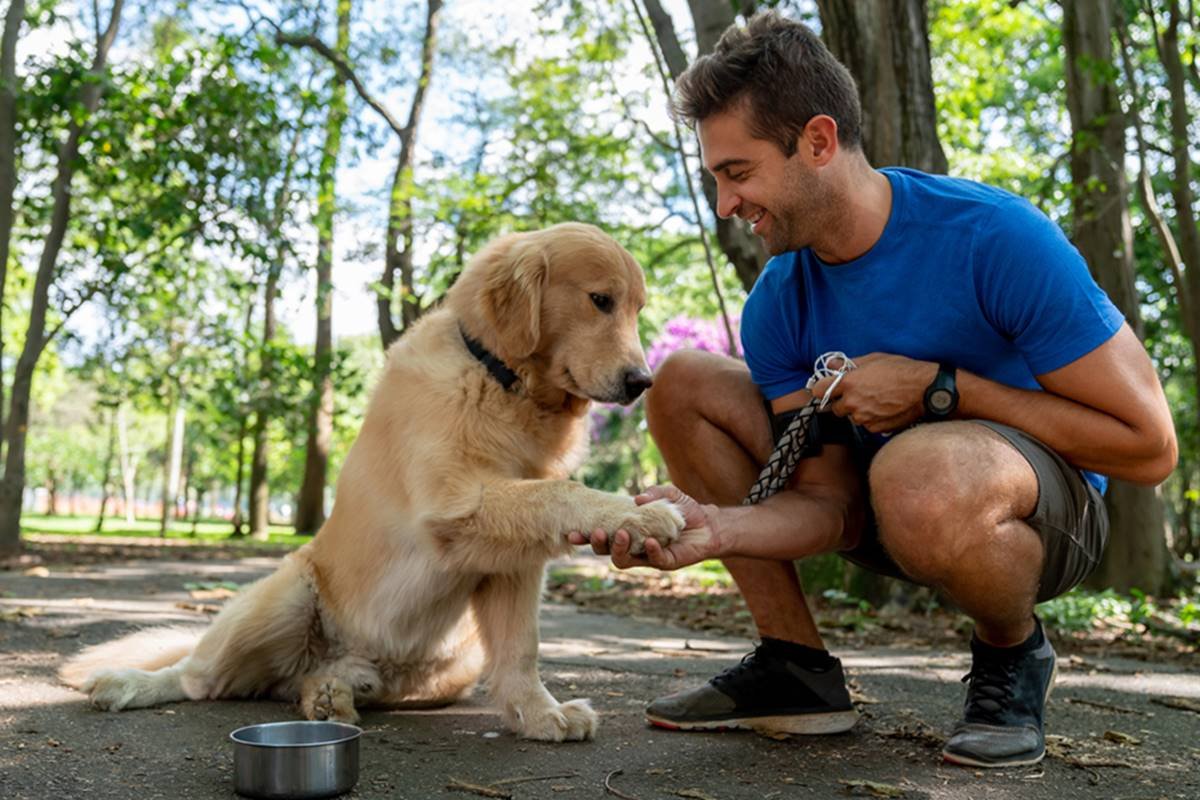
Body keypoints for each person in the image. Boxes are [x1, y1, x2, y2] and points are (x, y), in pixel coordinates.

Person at [568, 10, 1177, 769]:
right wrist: (716, 529)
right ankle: (796, 669)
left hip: (1039, 516)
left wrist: (945, 391)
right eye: (716, 179)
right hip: (886, 503)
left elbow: (1150, 448)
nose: (727, 205)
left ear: (818, 142)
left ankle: (1011, 655)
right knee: (683, 381)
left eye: (738, 173)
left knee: (920, 471)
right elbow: (832, 506)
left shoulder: (995, 239)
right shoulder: (779, 299)